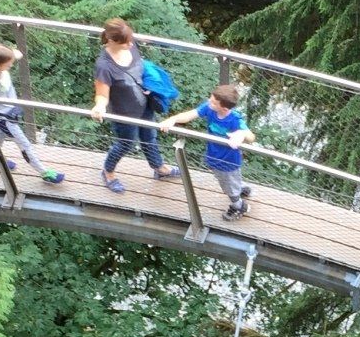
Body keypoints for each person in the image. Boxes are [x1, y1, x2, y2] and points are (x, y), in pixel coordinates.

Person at [91, 18, 176, 192]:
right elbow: (101, 94)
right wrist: (99, 107)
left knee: (149, 137)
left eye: (131, 40)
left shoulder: (130, 42)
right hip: (124, 113)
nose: (130, 45)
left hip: (145, 105)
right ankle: (108, 171)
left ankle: (159, 168)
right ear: (112, 40)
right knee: (125, 144)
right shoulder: (104, 66)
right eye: (125, 42)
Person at [162, 84, 255, 219]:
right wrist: (173, 119)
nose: (209, 102)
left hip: (228, 162)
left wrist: (241, 134)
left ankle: (239, 206)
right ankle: (241, 188)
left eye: (213, 102)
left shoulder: (234, 119)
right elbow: (190, 114)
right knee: (227, 180)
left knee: (227, 185)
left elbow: (250, 137)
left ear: (223, 108)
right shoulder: (210, 108)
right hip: (214, 156)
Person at [0, 42, 64, 184]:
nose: (11, 65)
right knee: (25, 146)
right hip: (5, 119)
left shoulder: (2, 69)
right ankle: (44, 173)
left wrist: (13, 54)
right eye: (8, 63)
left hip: (6, 114)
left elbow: (17, 54)